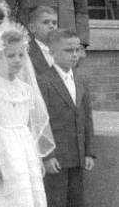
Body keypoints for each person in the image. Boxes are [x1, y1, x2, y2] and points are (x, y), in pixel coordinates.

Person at [0, 25, 55, 207]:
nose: (17, 60)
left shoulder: (25, 89)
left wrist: (36, 157)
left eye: (20, 55)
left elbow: (30, 127)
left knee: (24, 194)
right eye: (10, 56)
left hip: (23, 149)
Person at [37, 29, 95, 207]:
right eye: (68, 50)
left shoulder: (80, 78)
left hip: (77, 155)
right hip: (57, 159)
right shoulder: (44, 80)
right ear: (52, 52)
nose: (75, 55)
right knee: (56, 200)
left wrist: (88, 152)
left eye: (77, 50)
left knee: (76, 201)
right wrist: (47, 156)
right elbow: (40, 121)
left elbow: (87, 118)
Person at [27, 5, 58, 75]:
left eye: (54, 23)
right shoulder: (28, 52)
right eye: (46, 22)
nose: (51, 26)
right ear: (32, 28)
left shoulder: (62, 49)